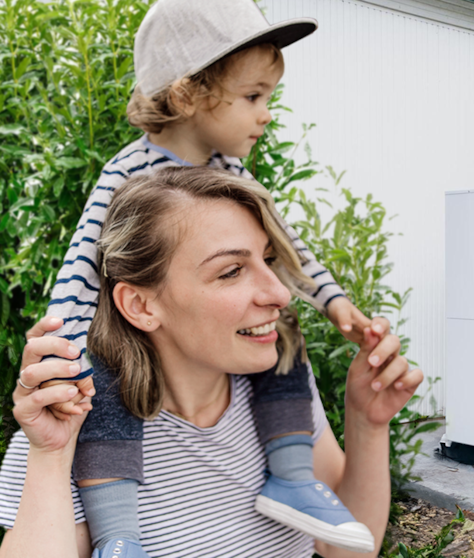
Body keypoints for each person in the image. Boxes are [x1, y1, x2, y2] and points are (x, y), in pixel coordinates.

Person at [38, 0, 382, 556]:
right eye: (252, 97)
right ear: (187, 94)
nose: (265, 114)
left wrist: (335, 303)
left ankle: (293, 477)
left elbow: (290, 252)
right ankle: (119, 535)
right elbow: (80, 269)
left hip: (206, 355)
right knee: (103, 389)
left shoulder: (232, 172)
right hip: (134, 348)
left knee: (284, 331)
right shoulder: (125, 173)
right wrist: (62, 354)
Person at [0, 167, 424, 558]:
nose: (280, 293)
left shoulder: (282, 394)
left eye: (268, 260)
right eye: (231, 271)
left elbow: (345, 551)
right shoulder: (67, 436)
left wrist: (367, 423)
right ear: (141, 304)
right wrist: (51, 456)